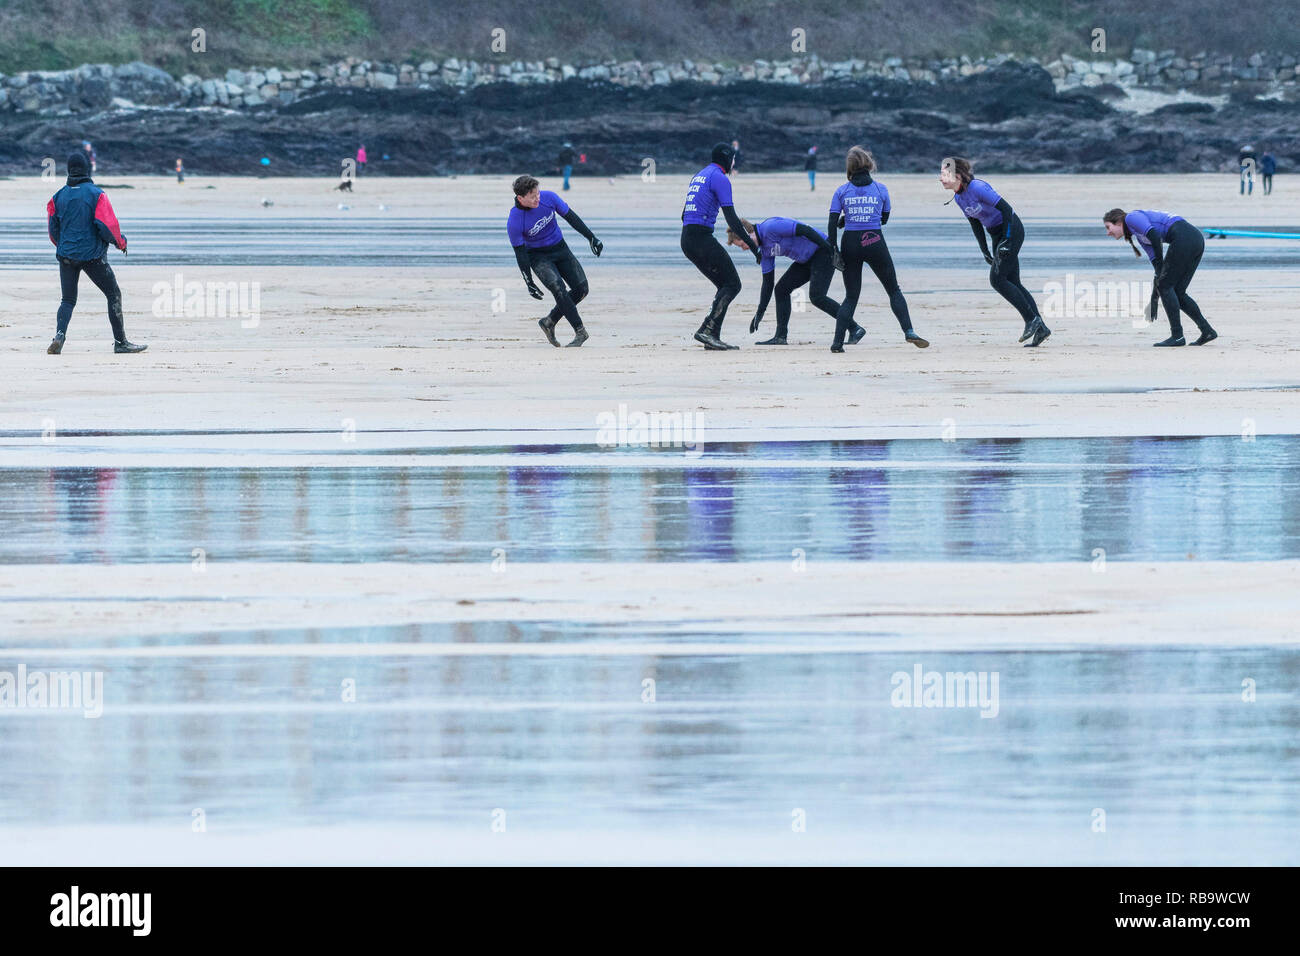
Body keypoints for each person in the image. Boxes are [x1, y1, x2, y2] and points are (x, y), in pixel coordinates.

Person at [826, 145, 928, 352]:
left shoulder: (841, 191)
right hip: (874, 241)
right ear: (869, 165)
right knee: (893, 290)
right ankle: (908, 331)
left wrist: (834, 248)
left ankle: (837, 343)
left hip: (850, 243)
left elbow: (831, 224)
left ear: (850, 167)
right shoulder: (881, 189)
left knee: (851, 296)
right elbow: (885, 218)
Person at [939, 156, 1049, 346]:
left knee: (997, 280)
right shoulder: (958, 197)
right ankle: (1041, 329)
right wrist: (984, 249)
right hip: (996, 234)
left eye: (943, 174)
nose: (940, 179)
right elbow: (975, 223)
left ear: (957, 175)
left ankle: (1032, 320)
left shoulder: (978, 188)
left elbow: (1007, 211)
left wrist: (1007, 240)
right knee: (1013, 281)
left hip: (1011, 229)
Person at [45, 151, 145, 354]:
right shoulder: (97, 194)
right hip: (92, 257)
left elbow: (53, 231)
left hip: (66, 255)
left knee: (68, 300)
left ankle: (59, 336)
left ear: (68, 170)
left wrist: (65, 246)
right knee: (113, 294)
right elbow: (106, 227)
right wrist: (121, 242)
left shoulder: (57, 197)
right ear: (87, 169)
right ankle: (120, 342)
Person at [727, 216, 862, 346]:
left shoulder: (770, 227)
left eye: (742, 244)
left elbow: (805, 230)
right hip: (805, 260)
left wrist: (830, 250)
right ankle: (780, 336)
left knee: (817, 296)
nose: (744, 248)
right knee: (781, 290)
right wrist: (760, 312)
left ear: (748, 234)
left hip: (822, 251)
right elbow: (768, 283)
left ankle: (854, 328)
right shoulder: (764, 251)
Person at [680, 142, 760, 349]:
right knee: (733, 284)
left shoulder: (699, 175)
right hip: (700, 238)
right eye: (733, 158)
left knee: (725, 285)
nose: (734, 162)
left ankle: (710, 334)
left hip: (687, 238)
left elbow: (684, 214)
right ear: (727, 158)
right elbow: (732, 219)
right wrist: (754, 248)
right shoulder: (720, 178)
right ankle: (707, 331)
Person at [507, 174, 602, 347]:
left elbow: (571, 217)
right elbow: (520, 253)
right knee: (559, 289)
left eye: (538, 193)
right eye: (533, 196)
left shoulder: (548, 198)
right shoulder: (515, 221)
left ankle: (549, 321)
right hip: (537, 257)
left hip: (560, 248)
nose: (537, 198)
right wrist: (528, 281)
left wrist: (591, 237)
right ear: (520, 198)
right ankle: (580, 332)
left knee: (581, 289)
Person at [1103, 208, 1217, 347]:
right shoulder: (1141, 236)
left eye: (1108, 227)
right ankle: (1207, 331)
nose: (1108, 232)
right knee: (1177, 292)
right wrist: (1154, 299)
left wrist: (1161, 286)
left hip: (1185, 238)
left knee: (1166, 287)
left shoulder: (1131, 218)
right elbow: (1159, 269)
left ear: (1119, 222)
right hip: (1193, 240)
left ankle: (1177, 336)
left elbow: (1155, 237)